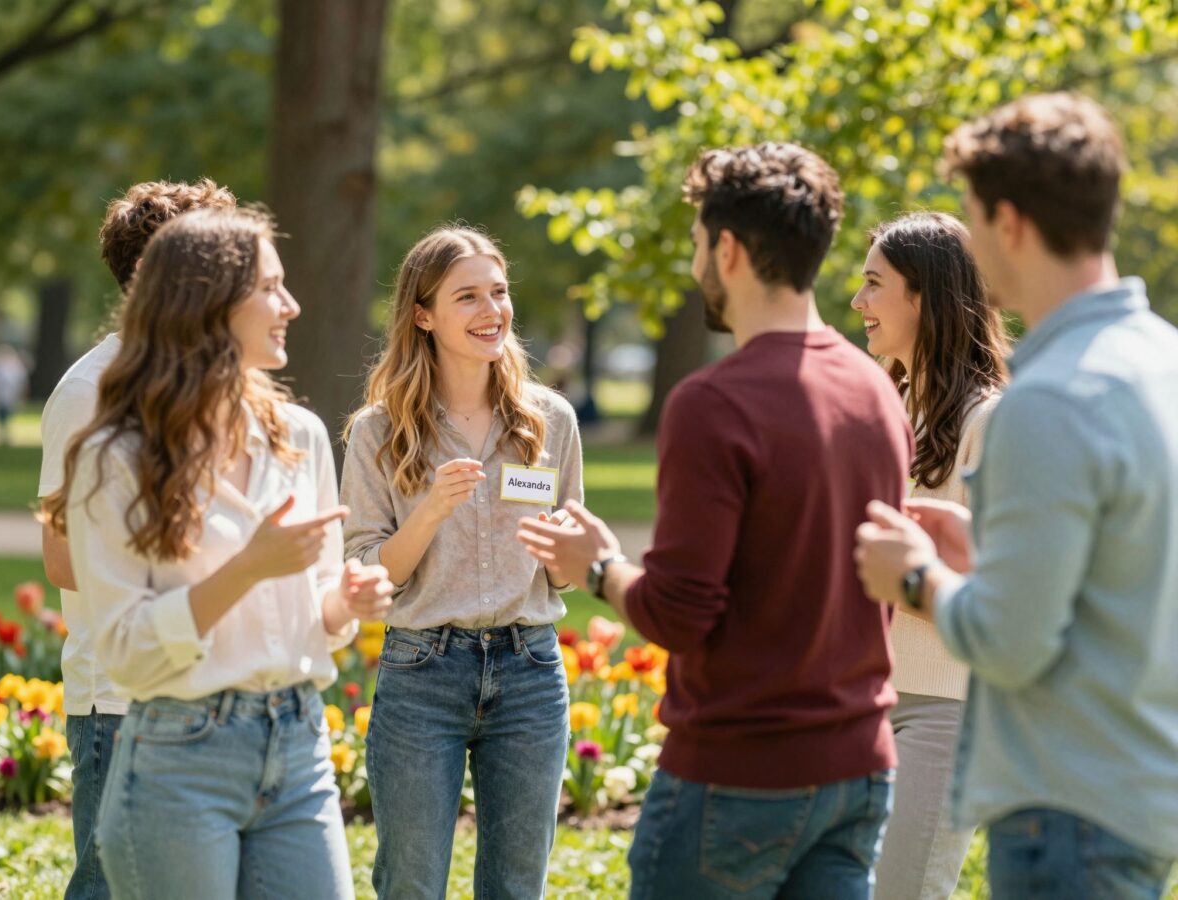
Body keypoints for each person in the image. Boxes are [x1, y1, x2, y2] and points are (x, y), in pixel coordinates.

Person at [517, 143, 912, 898]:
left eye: (699, 243)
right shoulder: (875, 391)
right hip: (858, 771)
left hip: (738, 776)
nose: (697, 261)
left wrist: (597, 568)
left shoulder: (712, 403)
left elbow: (679, 613)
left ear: (727, 250)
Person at [855, 93, 1178, 899]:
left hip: (1064, 804)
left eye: (971, 215)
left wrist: (916, 575)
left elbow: (1010, 640)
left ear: (1009, 222)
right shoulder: (1161, 360)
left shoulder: (1048, 396)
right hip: (1142, 789)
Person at [41, 208, 393, 900]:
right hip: (177, 755)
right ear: (206, 302)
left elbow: (317, 615)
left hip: (297, 743)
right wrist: (248, 568)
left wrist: (344, 602)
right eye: (270, 288)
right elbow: (127, 651)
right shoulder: (114, 455)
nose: (291, 306)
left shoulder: (301, 435)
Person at [339, 225, 583, 899]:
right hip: (422, 672)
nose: (491, 310)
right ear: (423, 315)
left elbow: (564, 575)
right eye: (467, 296)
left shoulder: (550, 420)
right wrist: (430, 511)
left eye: (498, 293)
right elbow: (368, 573)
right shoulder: (380, 430)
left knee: (517, 885)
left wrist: (566, 545)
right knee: (411, 883)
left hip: (530, 672)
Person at [36, 178, 237, 900]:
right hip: (123, 702)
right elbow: (63, 559)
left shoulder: (222, 382)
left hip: (216, 689)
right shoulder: (88, 391)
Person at [851, 211, 1007, 900]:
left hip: (945, 705)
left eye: (873, 284)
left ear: (924, 296)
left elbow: (1003, 587)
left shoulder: (990, 420)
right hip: (859, 693)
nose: (856, 301)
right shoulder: (881, 405)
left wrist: (901, 572)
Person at [0, 343, 27, 445]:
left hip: (10, 397)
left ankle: (5, 434)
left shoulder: (17, 369)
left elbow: (22, 385)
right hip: (0, 397)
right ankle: (2, 434)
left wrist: (22, 397)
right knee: (1, 416)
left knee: (7, 415)